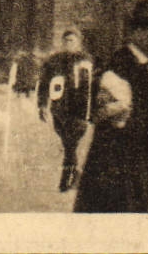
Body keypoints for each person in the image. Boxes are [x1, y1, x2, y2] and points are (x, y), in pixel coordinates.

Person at [75, 0, 148, 213]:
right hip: (120, 161)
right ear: (138, 33)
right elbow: (117, 117)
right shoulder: (120, 64)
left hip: (142, 156)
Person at [38, 28, 95, 192]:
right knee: (67, 140)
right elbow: (44, 83)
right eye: (66, 40)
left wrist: (92, 109)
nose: (69, 44)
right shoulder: (54, 61)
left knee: (71, 141)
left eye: (72, 40)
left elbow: (92, 85)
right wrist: (42, 105)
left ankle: (66, 175)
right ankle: (74, 171)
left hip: (80, 108)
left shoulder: (86, 60)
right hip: (60, 107)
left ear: (79, 42)